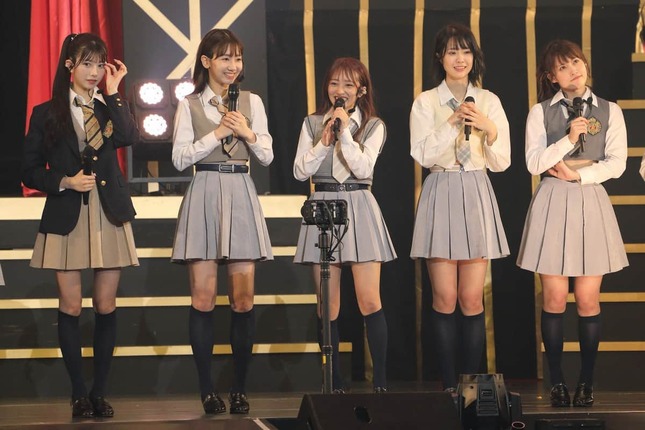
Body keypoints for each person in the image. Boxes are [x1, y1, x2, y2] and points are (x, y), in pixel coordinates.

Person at [22, 33, 139, 418]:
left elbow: (129, 137)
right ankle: (78, 394)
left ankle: (99, 392)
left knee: (106, 304)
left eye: (99, 64)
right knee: (71, 305)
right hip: (67, 211)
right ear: (70, 65)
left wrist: (115, 92)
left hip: (108, 210)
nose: (94, 72)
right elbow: (29, 170)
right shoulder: (46, 112)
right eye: (87, 63)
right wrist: (65, 181)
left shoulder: (109, 107)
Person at [517, 39, 628, 407]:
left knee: (587, 299)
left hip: (589, 196)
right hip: (552, 198)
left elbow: (617, 163)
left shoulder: (610, 110)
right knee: (553, 298)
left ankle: (586, 382)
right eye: (563, 67)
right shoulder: (540, 112)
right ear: (552, 77)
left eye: (576, 62)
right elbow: (534, 163)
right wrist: (568, 139)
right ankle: (557, 382)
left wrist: (579, 175)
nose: (573, 71)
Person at [171, 29, 273, 415]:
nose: (233, 66)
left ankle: (240, 389)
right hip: (205, 190)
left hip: (240, 189)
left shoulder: (251, 101)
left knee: (243, 300)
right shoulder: (190, 104)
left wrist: (246, 132)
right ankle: (206, 390)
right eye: (225, 58)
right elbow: (180, 158)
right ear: (207, 61)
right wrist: (216, 134)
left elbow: (267, 155)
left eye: (238, 58)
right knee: (203, 297)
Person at [409, 23, 511, 394]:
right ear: (440, 57)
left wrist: (489, 129)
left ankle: (471, 389)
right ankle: (448, 387)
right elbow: (422, 154)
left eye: (466, 51)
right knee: (444, 298)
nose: (459, 59)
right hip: (441, 186)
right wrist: (452, 123)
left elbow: (502, 162)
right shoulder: (426, 102)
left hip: (475, 189)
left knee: (471, 298)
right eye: (452, 51)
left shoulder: (489, 101)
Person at [293, 57, 395, 393]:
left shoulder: (373, 126)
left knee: (369, 300)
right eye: (335, 83)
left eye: (349, 85)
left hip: (358, 203)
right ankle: (333, 384)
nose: (340, 90)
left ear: (361, 90)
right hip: (322, 204)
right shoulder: (312, 123)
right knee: (328, 304)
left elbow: (363, 168)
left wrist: (346, 132)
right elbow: (299, 171)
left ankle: (380, 383)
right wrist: (324, 141)